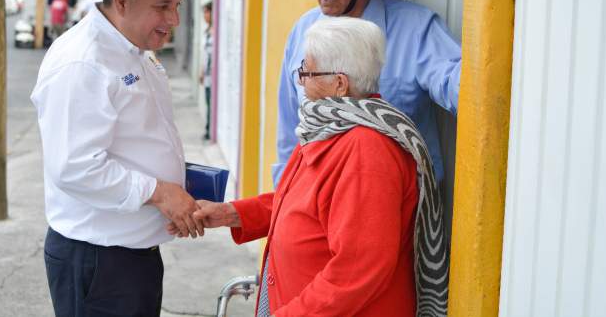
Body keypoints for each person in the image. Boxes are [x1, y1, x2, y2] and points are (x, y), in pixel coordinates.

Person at [179, 17, 449, 316]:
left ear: (340, 83)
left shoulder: (366, 150)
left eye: (308, 72)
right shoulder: (332, 128)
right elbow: (303, 204)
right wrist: (233, 213)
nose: (301, 81)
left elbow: (358, 270)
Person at [30, 0, 210, 317]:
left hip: (128, 258)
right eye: (162, 6)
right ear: (123, 1)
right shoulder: (84, 62)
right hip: (100, 262)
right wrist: (160, 192)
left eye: (176, 6)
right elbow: (74, 166)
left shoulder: (131, 48)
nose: (173, 21)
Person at [271, 0, 462, 187]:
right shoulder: (303, 30)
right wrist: (283, 195)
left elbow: (459, 84)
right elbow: (290, 125)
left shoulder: (416, 28)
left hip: (395, 201)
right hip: (316, 201)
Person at [199, 1, 213, 140]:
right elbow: (204, 54)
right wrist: (202, 71)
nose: (205, 15)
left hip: (214, 77)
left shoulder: (215, 33)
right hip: (207, 75)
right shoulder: (207, 31)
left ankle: (209, 129)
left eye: (207, 12)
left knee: (211, 103)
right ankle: (208, 127)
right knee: (208, 102)